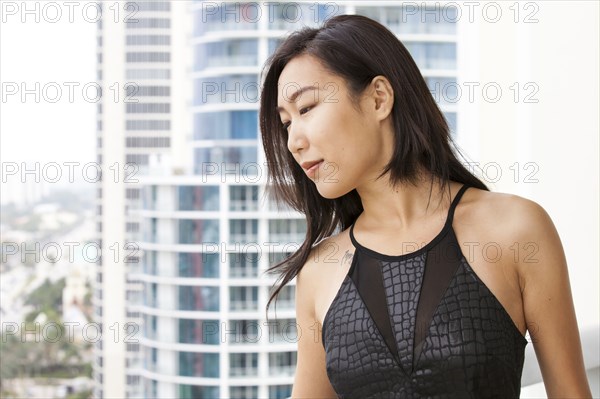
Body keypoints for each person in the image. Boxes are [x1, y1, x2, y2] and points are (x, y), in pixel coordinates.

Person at [259, 14, 592, 398]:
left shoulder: (515, 229)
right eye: (285, 124)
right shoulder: (320, 270)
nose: (293, 142)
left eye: (306, 108)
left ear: (378, 98)